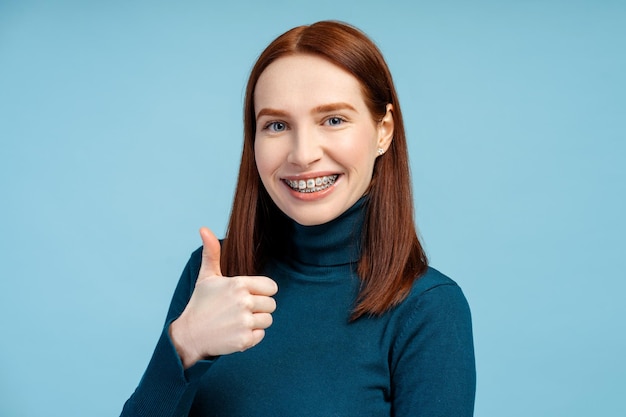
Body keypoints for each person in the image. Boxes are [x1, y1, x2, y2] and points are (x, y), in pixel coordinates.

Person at [120, 20, 476, 417]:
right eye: (276, 125)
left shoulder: (428, 309)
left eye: (333, 120)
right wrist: (184, 347)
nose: (302, 154)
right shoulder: (214, 277)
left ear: (383, 131)